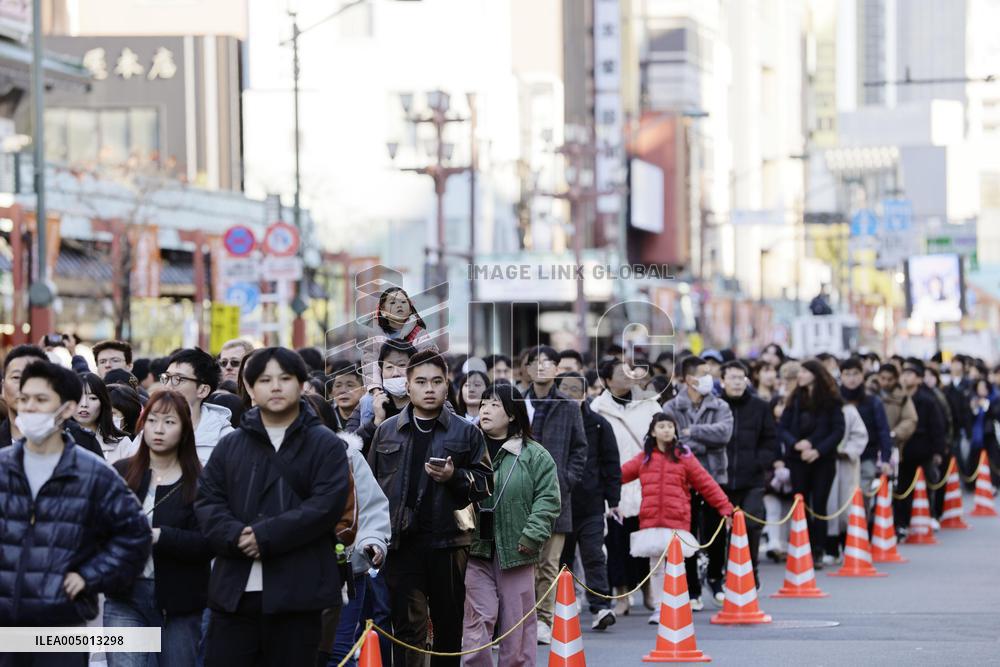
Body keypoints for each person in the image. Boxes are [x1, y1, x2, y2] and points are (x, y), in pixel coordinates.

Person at [196, 347, 352, 667]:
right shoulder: (231, 443)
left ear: (301, 385)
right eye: (265, 380)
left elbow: (326, 507)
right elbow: (207, 501)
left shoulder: (326, 444)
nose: (276, 386)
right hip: (234, 593)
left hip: (298, 593)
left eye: (285, 378)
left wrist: (264, 536)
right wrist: (238, 535)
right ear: (250, 389)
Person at [0, 361, 151, 658]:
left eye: (42, 400)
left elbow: (135, 534)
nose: (30, 408)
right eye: (25, 398)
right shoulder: (3, 467)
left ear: (67, 409)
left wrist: (90, 575)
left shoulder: (93, 472)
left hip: (62, 624)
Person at [368, 349, 492, 667]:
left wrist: (455, 477)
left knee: (448, 627)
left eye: (437, 381)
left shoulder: (466, 431)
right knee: (408, 628)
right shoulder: (387, 430)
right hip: (402, 542)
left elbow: (484, 485)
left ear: (446, 384)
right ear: (407, 386)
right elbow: (370, 489)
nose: (429, 388)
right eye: (421, 381)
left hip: (450, 542)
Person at [106, 391, 212, 667]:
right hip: (125, 595)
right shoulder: (121, 472)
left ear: (185, 428)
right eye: (152, 420)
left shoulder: (201, 482)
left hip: (180, 601)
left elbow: (208, 542)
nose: (159, 430)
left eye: (169, 422)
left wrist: (159, 536)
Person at [462, 383, 561, 666]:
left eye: (494, 404)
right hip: (475, 549)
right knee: (478, 617)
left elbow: (548, 500)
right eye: (483, 404)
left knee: (516, 621)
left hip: (517, 550)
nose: (485, 409)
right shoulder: (467, 448)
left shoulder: (534, 454)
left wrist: (531, 535)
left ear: (512, 414)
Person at [298, 395, 391, 667]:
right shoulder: (276, 459)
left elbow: (371, 505)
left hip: (344, 567)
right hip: (293, 572)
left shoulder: (349, 457)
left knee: (338, 651)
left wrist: (372, 541)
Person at [621, 414, 734, 624]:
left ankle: (677, 605)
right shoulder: (643, 459)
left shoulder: (684, 458)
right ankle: (659, 608)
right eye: (661, 426)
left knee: (676, 566)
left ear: (675, 431)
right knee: (655, 568)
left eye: (670, 426)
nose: (666, 430)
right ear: (653, 432)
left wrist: (725, 507)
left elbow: (706, 484)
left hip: (677, 522)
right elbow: (619, 475)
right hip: (651, 522)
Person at [521, 345, 587, 644]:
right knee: (524, 563)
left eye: (548, 362)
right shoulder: (518, 403)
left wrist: (567, 479)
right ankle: (523, 620)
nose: (541, 367)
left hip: (557, 495)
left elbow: (579, 449)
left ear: (557, 368)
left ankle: (545, 620)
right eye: (535, 362)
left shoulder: (568, 406)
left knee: (549, 563)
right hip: (520, 495)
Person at [589, 359, 660, 615]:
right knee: (616, 542)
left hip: (646, 481)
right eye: (620, 372)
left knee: (645, 539)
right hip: (615, 483)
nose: (628, 375)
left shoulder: (649, 403)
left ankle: (648, 590)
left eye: (630, 370)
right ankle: (621, 595)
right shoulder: (598, 408)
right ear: (607, 380)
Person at [661, 355, 733, 606]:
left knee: (716, 532)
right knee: (686, 534)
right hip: (683, 481)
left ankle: (715, 579)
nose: (709, 376)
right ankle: (692, 589)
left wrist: (693, 433)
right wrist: (699, 441)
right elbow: (672, 442)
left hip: (714, 477)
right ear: (689, 379)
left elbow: (724, 434)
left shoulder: (720, 406)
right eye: (704, 373)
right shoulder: (671, 408)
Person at [555, 372, 621, 630]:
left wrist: (613, 499)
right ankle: (563, 606)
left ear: (585, 394)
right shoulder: (551, 422)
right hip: (559, 503)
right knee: (562, 559)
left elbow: (611, 464)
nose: (571, 395)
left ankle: (601, 606)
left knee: (594, 554)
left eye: (576, 390)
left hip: (592, 503)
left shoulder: (598, 424)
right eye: (565, 390)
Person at [779, 359, 846, 566]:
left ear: (815, 374)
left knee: (820, 504)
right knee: (800, 503)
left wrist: (816, 448)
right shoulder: (794, 399)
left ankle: (819, 549)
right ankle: (803, 548)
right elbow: (782, 427)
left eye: (804, 372)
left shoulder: (832, 400)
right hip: (797, 459)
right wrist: (795, 444)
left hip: (823, 459)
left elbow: (837, 430)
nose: (799, 376)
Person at [718, 360, 778, 587]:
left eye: (740, 378)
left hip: (752, 478)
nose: (736, 382)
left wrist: (759, 462)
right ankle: (727, 573)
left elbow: (770, 439)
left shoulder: (760, 407)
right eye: (731, 377)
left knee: (752, 525)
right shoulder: (716, 405)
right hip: (722, 479)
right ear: (722, 381)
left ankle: (751, 570)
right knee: (722, 531)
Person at [119, 348, 234, 464]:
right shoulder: (149, 431)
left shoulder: (225, 438)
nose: (168, 386)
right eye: (166, 378)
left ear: (203, 390)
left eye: (178, 379)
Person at [1, 345, 104, 458]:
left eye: (35, 376)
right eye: (16, 377)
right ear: (2, 387)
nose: (25, 385)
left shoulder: (83, 441)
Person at [893, 359, 947, 534]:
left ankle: (929, 515)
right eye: (904, 374)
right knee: (903, 487)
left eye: (910, 374)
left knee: (929, 484)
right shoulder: (897, 398)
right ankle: (903, 522)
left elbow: (938, 426)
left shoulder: (928, 399)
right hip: (903, 451)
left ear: (918, 379)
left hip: (924, 450)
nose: (906, 378)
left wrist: (939, 450)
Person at [839, 357, 893, 508]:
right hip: (841, 458)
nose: (852, 379)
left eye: (855, 374)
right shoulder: (835, 400)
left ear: (862, 375)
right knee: (843, 499)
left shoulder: (873, 401)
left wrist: (885, 458)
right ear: (841, 376)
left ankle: (862, 528)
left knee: (862, 496)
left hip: (867, 456)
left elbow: (883, 430)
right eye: (847, 374)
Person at [358, 286, 430, 392]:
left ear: (410, 309)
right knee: (367, 402)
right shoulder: (376, 337)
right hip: (382, 389)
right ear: (383, 312)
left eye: (403, 302)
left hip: (415, 388)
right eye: (392, 303)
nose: (399, 305)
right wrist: (376, 390)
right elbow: (370, 364)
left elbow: (429, 363)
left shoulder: (420, 335)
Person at [350, 341, 418, 452]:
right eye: (389, 367)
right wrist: (376, 422)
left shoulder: (427, 403)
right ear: (381, 372)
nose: (395, 373)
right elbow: (354, 450)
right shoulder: (370, 404)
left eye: (402, 365)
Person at [824, 397, 868, 564]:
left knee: (845, 506)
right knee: (828, 506)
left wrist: (848, 451)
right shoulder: (819, 409)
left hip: (845, 465)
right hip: (824, 462)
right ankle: (830, 547)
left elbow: (860, 434)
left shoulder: (848, 410)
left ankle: (847, 545)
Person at [75, 372, 130, 461]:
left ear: (103, 403)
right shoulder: (58, 440)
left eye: (92, 398)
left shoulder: (122, 444)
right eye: (78, 397)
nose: (84, 404)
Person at [877, 363, 918, 476]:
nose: (886, 382)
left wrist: (895, 433)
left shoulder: (902, 397)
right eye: (883, 378)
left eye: (890, 379)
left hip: (893, 446)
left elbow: (910, 419)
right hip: (870, 447)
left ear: (895, 379)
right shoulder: (870, 394)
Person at [966, 379, 1000, 490]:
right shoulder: (973, 400)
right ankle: (975, 484)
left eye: (984, 387)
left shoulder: (994, 399)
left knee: (992, 461)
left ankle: (993, 484)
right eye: (979, 388)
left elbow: (996, 415)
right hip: (976, 438)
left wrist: (986, 406)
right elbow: (968, 420)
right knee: (975, 460)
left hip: (989, 435)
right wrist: (973, 409)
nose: (981, 390)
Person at [329, 363, 365, 432]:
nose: (343, 391)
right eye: (338, 386)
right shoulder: (326, 416)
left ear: (363, 390)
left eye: (350, 385)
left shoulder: (370, 416)